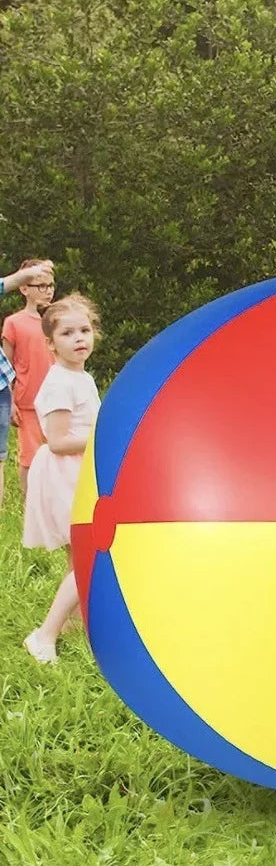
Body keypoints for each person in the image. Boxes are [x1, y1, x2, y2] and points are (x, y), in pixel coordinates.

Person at [22, 293, 101, 664]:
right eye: (68, 333)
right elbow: (56, 441)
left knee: (80, 557)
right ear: (51, 343)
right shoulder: (60, 383)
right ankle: (44, 635)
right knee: (87, 555)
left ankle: (76, 623)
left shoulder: (79, 376)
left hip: (78, 471)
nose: (79, 338)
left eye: (84, 330)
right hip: (63, 473)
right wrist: (103, 434)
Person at [0, 259, 55, 513]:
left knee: (54, 454)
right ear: (24, 288)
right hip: (27, 401)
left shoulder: (57, 322)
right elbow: (7, 365)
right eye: (40, 285)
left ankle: (51, 504)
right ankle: (29, 505)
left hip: (55, 401)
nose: (47, 290)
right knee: (29, 458)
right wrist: (10, 401)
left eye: (50, 285)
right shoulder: (14, 323)